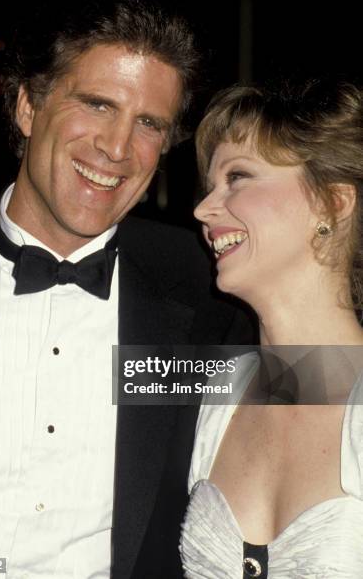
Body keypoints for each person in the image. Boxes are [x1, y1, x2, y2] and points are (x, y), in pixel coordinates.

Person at [0, 0, 255, 579]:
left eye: (149, 124)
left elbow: (323, 392)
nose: (117, 148)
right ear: (27, 107)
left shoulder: (211, 291)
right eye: (98, 105)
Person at [180, 78, 363, 577]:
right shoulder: (213, 393)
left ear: (332, 203)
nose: (202, 209)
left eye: (238, 177)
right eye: (210, 185)